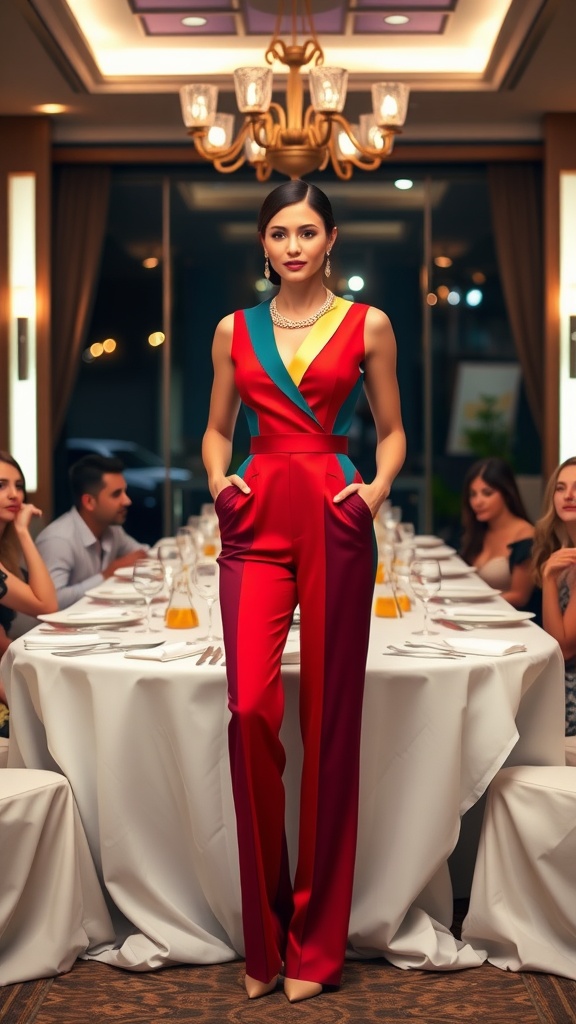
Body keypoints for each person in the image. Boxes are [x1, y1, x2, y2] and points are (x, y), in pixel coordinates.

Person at [202, 180, 405, 1002]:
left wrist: (373, 492)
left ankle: (316, 948)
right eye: (279, 232)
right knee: (249, 710)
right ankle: (264, 938)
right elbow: (217, 429)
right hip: (253, 521)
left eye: (308, 232)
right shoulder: (232, 331)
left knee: (330, 723)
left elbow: (391, 433)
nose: (293, 245)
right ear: (262, 243)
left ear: (331, 241)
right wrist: (220, 481)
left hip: (333, 512)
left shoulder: (369, 325)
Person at [36, 454, 148, 609]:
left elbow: (141, 554)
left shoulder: (112, 530)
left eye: (125, 492)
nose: (127, 500)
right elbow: (54, 601)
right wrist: (106, 575)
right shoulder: (58, 540)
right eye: (117, 494)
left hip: (93, 620)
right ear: (89, 502)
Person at [0, 451, 58, 733]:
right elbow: (46, 605)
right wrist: (23, 531)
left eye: (18, 486)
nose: (14, 495)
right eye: (1, 486)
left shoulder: (5, 552)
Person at [460, 457, 539, 615]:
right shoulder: (479, 531)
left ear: (507, 494)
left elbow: (520, 597)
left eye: (487, 493)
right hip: (480, 618)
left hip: (515, 623)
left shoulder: (526, 536)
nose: (477, 502)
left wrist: (473, 605)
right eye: (473, 494)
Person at [532, 456, 576, 735]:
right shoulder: (563, 549)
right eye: (560, 488)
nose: (568, 495)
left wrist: (549, 579)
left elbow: (563, 649)